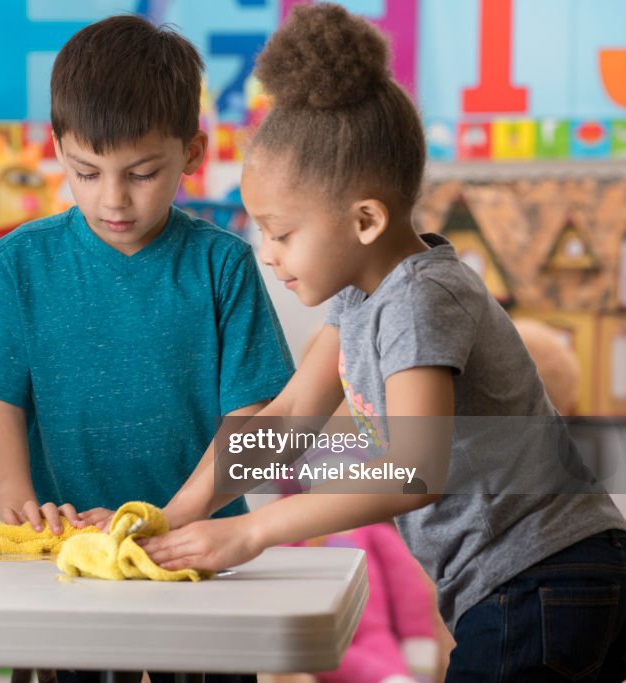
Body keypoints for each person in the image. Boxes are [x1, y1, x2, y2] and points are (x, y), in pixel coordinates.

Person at [141, 4, 626, 681]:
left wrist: (249, 530)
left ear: (365, 219)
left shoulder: (421, 298)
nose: (268, 254)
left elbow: (413, 467)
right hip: (536, 577)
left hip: (542, 573)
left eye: (280, 233)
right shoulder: (362, 297)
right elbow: (284, 420)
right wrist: (174, 516)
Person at [0, 14, 294, 536]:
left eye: (142, 174)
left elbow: (253, 417)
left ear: (191, 154)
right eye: (86, 173)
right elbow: (0, 399)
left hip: (196, 540)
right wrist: (19, 502)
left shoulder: (222, 264)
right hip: (63, 543)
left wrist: (174, 517)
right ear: (58, 148)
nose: (112, 199)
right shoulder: (21, 260)